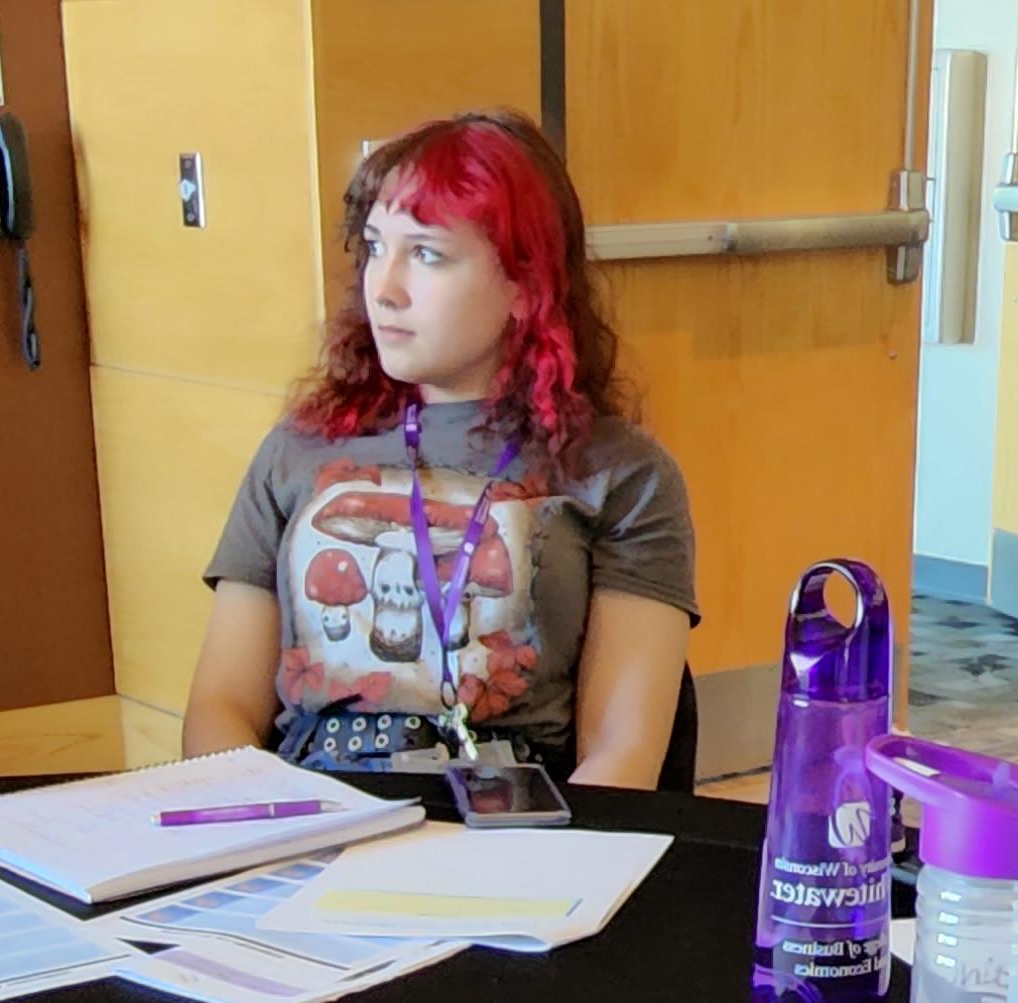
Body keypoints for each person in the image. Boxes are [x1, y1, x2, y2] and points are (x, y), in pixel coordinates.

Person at [187, 110, 692, 786]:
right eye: (374, 246)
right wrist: (263, 827)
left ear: (525, 285)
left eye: (426, 254)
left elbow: (621, 756)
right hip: (312, 813)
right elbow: (220, 708)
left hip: (515, 828)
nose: (383, 288)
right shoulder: (298, 447)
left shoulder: (621, 472)